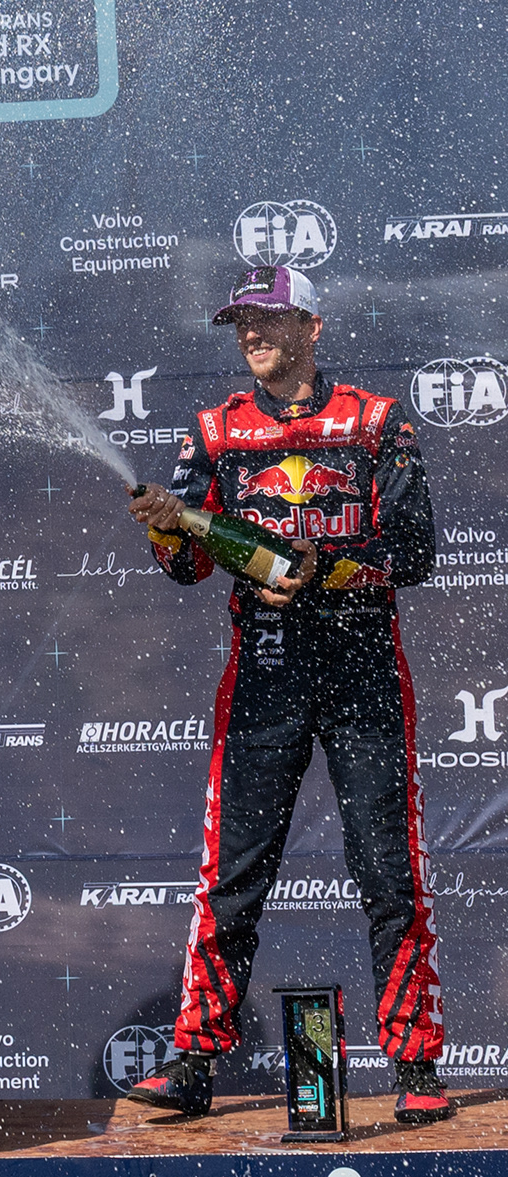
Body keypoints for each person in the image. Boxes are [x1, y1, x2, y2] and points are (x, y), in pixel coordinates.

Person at [125, 264, 447, 1123]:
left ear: (311, 325)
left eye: (267, 319)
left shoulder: (376, 421)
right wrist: (168, 530)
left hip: (363, 671)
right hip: (264, 675)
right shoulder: (215, 431)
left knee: (389, 874)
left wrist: (326, 565)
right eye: (240, 322)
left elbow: (415, 548)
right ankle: (194, 1061)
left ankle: (416, 1063)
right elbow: (189, 566)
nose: (250, 334)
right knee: (231, 876)